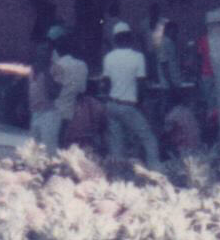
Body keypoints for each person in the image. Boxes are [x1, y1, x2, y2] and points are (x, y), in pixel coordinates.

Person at [102, 22, 159, 168]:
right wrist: (140, 104)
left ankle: (118, 177)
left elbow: (106, 84)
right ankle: (155, 171)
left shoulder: (108, 58)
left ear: (115, 39)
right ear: (130, 38)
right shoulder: (138, 57)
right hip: (128, 106)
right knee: (149, 139)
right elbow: (141, 85)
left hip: (112, 105)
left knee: (117, 145)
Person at [49, 28, 88, 146]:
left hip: (52, 111)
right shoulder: (82, 65)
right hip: (69, 112)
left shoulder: (56, 66)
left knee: (51, 144)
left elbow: (50, 91)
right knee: (62, 143)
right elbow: (82, 90)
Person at [28, 43, 63, 149]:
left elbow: (54, 94)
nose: (41, 53)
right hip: (35, 113)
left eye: (44, 50)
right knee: (34, 151)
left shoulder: (57, 69)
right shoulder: (33, 68)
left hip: (49, 114)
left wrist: (45, 71)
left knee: (48, 149)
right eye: (39, 50)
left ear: (50, 53)